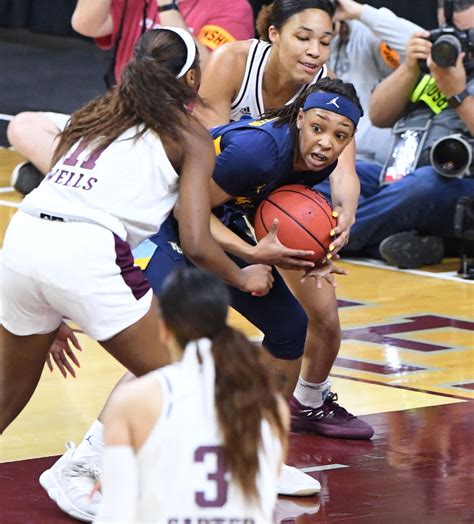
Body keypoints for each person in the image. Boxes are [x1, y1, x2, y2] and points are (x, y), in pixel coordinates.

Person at [38, 77, 366, 523]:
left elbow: (261, 210)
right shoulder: (260, 150)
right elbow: (185, 212)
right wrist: (249, 258)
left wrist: (314, 252)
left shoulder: (313, 161)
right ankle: (85, 460)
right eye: (318, 127)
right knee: (165, 343)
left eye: (339, 136)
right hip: (161, 222)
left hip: (210, 223)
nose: (326, 143)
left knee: (291, 328)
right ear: (299, 117)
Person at [0, 27, 273, 434]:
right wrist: (242, 273)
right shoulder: (188, 133)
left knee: (7, 394)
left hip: (23, 241)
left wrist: (45, 299)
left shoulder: (95, 115)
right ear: (193, 79)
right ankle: (97, 472)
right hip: (86, 251)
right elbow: (196, 240)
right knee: (187, 384)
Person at [197, 0, 373, 438]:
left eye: (326, 41)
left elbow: (344, 170)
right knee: (185, 325)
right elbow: (199, 166)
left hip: (275, 204)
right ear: (273, 33)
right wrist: (251, 252)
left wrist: (341, 221)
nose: (315, 51)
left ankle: (308, 402)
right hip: (213, 195)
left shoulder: (326, 91)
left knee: (324, 317)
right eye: (303, 37)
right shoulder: (233, 63)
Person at [7, 0, 255, 194]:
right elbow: (84, 23)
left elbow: (206, 72)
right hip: (123, 119)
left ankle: (69, 179)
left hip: (175, 134)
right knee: (24, 126)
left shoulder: (233, 6)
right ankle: (102, 188)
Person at [94, 268, 288, 523]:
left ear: (163, 329)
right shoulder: (271, 405)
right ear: (222, 323)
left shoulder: (134, 400)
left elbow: (115, 513)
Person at [356, 0, 474, 268]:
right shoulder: (432, 61)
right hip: (396, 176)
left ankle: (325, 242)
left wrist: (457, 94)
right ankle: (420, 245)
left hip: (455, 187)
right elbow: (378, 116)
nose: (460, 44)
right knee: (333, 170)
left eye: (468, 34)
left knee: (423, 186)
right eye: (450, 33)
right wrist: (409, 67)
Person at [288, 0, 422, 169]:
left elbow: (424, 46)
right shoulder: (290, 43)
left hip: (369, 162)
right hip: (312, 160)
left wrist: (358, 12)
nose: (319, 2)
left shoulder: (365, 33)